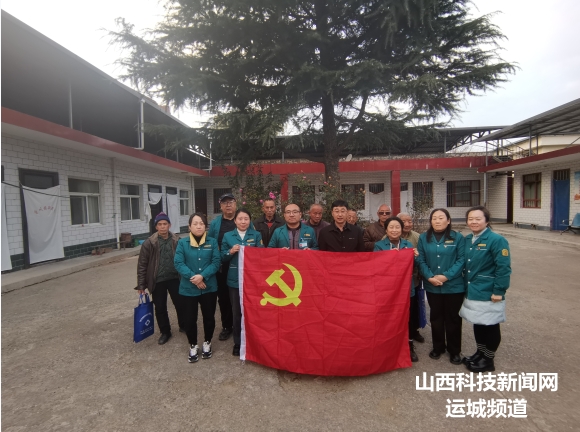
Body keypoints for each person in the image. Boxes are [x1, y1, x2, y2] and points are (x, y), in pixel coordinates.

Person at [460, 206, 511, 373]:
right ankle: (480, 353)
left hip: (489, 291)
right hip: (473, 289)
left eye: (478, 219)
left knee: (490, 325)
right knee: (479, 322)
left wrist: (499, 291)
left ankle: (488, 359)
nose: (473, 222)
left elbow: (503, 268)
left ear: (487, 221)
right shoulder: (469, 239)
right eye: (470, 219)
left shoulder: (497, 240)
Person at [416, 209, 465, 365]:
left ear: (448, 220)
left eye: (441, 218)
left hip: (454, 286)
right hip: (432, 286)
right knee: (436, 317)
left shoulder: (458, 237)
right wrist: (429, 276)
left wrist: (446, 276)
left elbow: (462, 260)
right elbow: (420, 260)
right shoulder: (423, 237)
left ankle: (454, 351)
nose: (437, 221)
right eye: (434, 218)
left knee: (453, 318)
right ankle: (438, 347)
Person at [174, 213, 221, 363]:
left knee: (209, 317)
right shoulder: (183, 243)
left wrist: (203, 276)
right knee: (189, 319)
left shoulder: (212, 242)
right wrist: (195, 277)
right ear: (189, 227)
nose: (199, 226)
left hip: (209, 287)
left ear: (205, 226)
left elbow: (216, 262)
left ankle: (207, 342)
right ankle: (193, 345)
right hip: (188, 288)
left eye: (201, 223)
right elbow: (178, 263)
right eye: (195, 223)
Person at [373, 216, 420, 362]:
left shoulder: (408, 245)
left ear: (401, 229)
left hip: (406, 289)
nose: (394, 230)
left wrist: (416, 257)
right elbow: (376, 266)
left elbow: (415, 266)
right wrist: (390, 257)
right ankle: (387, 346)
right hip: (387, 290)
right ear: (386, 230)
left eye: (397, 227)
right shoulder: (379, 246)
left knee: (408, 318)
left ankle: (409, 345)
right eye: (391, 227)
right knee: (388, 318)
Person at [136, 212, 184, 345]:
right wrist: (141, 285)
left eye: (165, 224)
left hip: (175, 278)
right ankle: (165, 331)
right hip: (157, 280)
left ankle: (184, 325)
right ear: (156, 226)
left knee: (181, 304)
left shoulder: (177, 240)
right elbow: (142, 264)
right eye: (160, 224)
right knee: (160, 307)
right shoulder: (149, 243)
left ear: (169, 225)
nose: (162, 226)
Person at [221, 209, 264, 356]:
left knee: (254, 311)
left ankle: (254, 341)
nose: (243, 222)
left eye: (246, 219)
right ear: (235, 221)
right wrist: (230, 251)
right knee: (237, 312)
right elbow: (222, 256)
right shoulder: (228, 236)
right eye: (240, 219)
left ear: (250, 221)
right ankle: (238, 342)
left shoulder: (256, 235)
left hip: (253, 280)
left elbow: (262, 254)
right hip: (235, 280)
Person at [207, 192, 237, 342]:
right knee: (224, 297)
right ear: (221, 206)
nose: (228, 205)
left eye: (231, 202)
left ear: (236, 204)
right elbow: (210, 243)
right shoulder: (215, 223)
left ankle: (241, 325)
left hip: (240, 266)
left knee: (239, 297)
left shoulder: (242, 219)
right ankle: (227, 326)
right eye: (225, 202)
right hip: (222, 266)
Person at [398, 212, 424, 344]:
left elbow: (422, 257)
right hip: (396, 281)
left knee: (414, 306)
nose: (407, 224)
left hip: (414, 277)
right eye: (404, 221)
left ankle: (414, 331)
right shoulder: (389, 236)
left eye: (410, 221)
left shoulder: (417, 237)